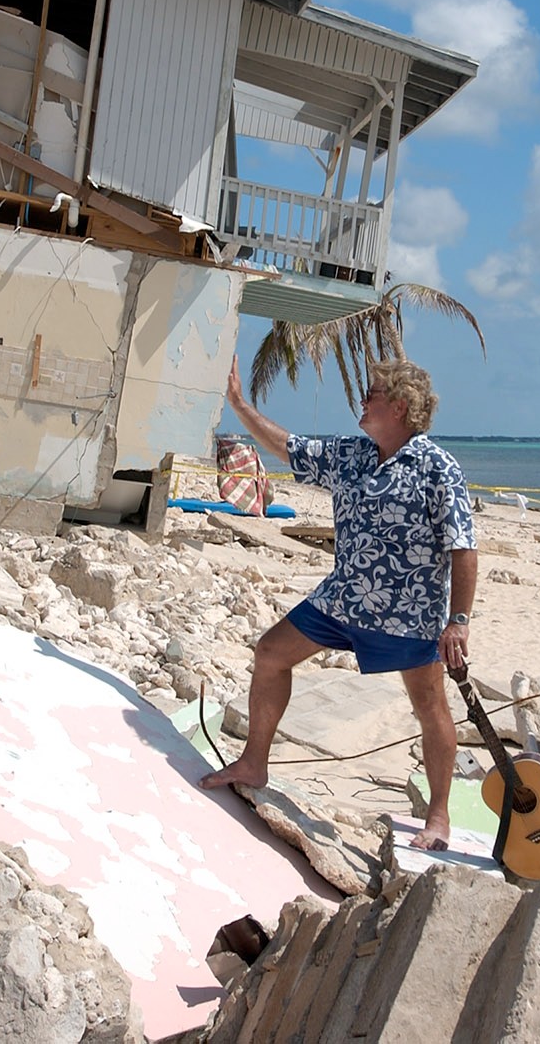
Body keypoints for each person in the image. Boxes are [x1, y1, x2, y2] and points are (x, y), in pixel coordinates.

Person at [200, 355, 477, 850]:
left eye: (370, 395)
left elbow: (463, 546)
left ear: (398, 406)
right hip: (344, 597)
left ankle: (438, 817)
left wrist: (457, 621)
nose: (361, 401)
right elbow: (287, 446)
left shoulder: (439, 469)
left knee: (430, 705)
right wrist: (239, 405)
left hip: (409, 613)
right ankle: (254, 761)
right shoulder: (352, 453)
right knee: (270, 654)